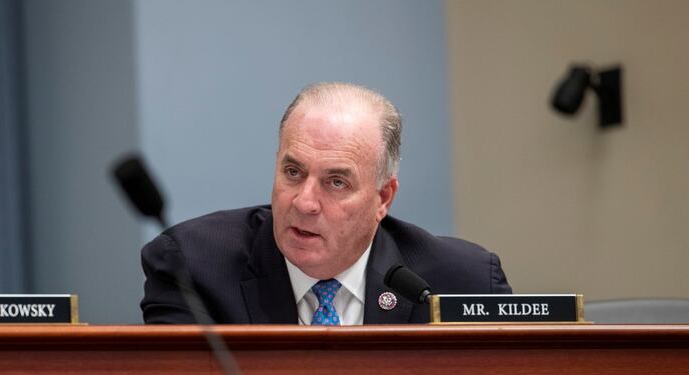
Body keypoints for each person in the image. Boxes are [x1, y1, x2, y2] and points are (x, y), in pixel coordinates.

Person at [141, 82, 511, 325]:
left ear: (383, 198)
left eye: (336, 182)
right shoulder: (194, 267)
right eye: (293, 172)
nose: (304, 202)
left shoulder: (464, 282)